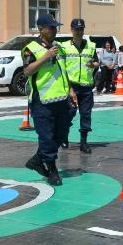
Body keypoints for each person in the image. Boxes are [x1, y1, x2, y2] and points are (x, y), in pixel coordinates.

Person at [22, 14, 78, 186]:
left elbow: (63, 70)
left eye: (56, 27)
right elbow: (27, 71)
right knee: (46, 137)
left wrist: (70, 90)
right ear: (41, 29)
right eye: (51, 28)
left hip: (61, 98)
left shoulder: (58, 47)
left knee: (60, 134)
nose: (55, 30)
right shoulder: (30, 48)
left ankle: (38, 159)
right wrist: (45, 57)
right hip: (42, 100)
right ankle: (52, 169)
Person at [61, 19, 98, 153]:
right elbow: (61, 68)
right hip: (71, 86)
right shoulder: (64, 46)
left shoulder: (91, 46)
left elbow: (96, 62)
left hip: (86, 87)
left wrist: (94, 65)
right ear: (71, 30)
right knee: (68, 114)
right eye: (76, 29)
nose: (79, 31)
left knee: (86, 115)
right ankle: (64, 137)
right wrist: (69, 88)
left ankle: (84, 142)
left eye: (81, 29)